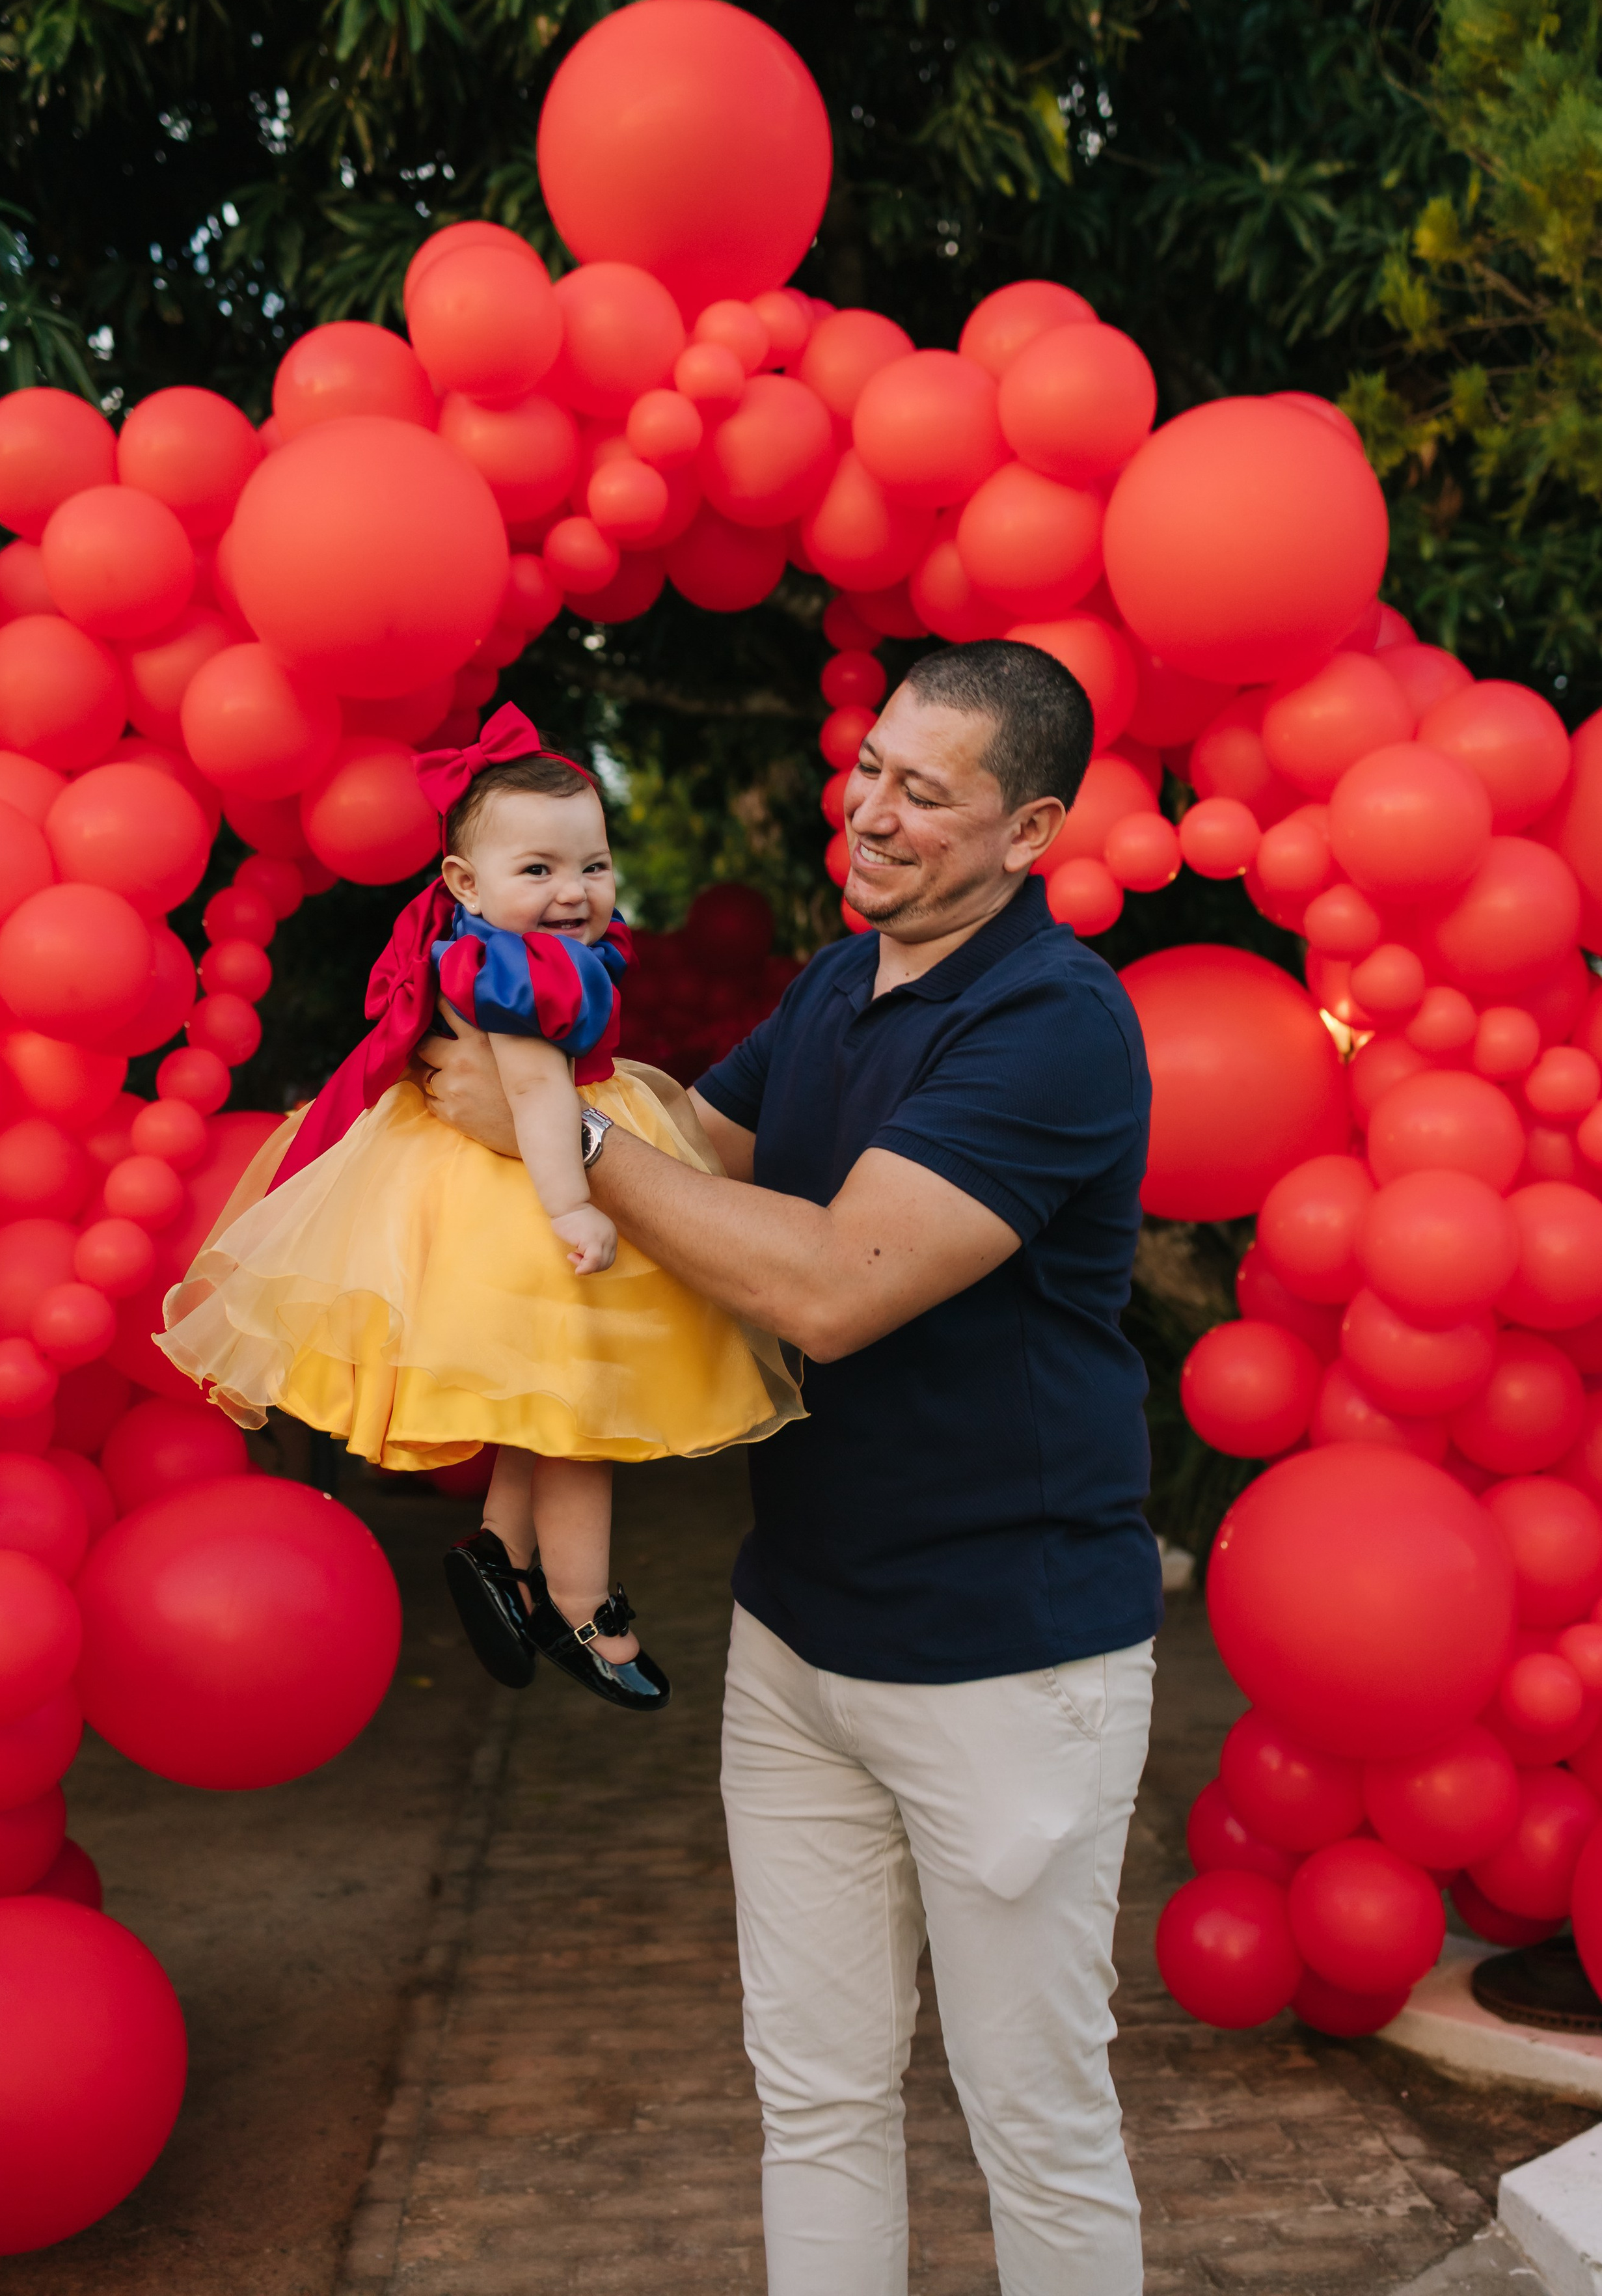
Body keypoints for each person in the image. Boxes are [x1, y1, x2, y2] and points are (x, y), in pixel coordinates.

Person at [416, 640, 1161, 2296]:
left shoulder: (1052, 1024)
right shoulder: (843, 980)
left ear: (1030, 833)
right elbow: (710, 1152)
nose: (872, 812)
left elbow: (829, 1280)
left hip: (1005, 1660)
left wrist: (564, 1137)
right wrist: (518, 1036)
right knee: (814, 2097)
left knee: (1031, 2117)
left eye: (924, 791)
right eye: (869, 766)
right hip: (799, 1638)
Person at [157, 703, 802, 1713]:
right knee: (581, 1412)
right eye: (537, 871)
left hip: (485, 1178)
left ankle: (502, 1551)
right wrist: (578, 1206)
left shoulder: (470, 939)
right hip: (527, 1179)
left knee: (540, 1399)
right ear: (464, 882)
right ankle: (584, 1608)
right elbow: (538, 1099)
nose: (573, 893)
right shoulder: (523, 972)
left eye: (591, 866)